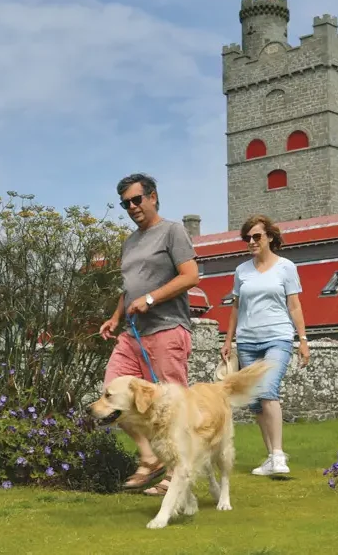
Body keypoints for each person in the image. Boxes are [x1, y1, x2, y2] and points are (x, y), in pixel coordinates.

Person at [100, 173, 199, 496]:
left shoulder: (172, 231)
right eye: (125, 203)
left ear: (153, 197)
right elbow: (128, 288)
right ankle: (149, 457)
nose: (132, 207)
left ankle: (176, 474)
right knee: (112, 396)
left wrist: (152, 298)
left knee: (171, 408)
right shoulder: (129, 242)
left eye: (136, 199)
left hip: (167, 329)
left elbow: (191, 276)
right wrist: (115, 317)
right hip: (132, 334)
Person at [220, 214, 310, 476]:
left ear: (270, 237)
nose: (251, 241)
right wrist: (228, 340)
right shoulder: (241, 271)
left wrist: (303, 340)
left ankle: (279, 455)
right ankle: (271, 457)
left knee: (268, 389)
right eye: (247, 238)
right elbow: (236, 308)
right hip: (247, 341)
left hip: (278, 338)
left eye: (256, 236)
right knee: (256, 403)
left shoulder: (286, 267)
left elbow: (295, 306)